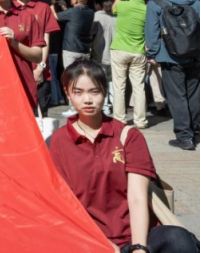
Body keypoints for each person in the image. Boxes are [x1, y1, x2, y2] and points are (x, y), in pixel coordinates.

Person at [50, 59, 200, 253]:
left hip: (139, 235)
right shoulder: (58, 142)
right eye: (78, 92)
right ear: (67, 93)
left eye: (94, 91)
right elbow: (66, 204)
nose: (87, 99)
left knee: (179, 240)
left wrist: (139, 247)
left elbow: (137, 197)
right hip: (89, 239)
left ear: (105, 91)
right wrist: (103, 245)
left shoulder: (128, 135)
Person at [146, 0, 200, 151]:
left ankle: (184, 137)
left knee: (177, 97)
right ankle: (196, 132)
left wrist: (152, 53)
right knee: (194, 95)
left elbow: (152, 31)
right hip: (195, 54)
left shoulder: (155, 3)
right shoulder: (194, 1)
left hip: (170, 56)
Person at [14, 0, 62, 116]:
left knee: (41, 116)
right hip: (16, 71)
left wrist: (40, 67)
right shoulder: (9, 9)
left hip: (40, 70)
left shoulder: (43, 8)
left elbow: (46, 40)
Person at [110, 0, 151, 130]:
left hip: (120, 49)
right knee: (139, 87)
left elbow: (113, 9)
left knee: (119, 86)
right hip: (138, 51)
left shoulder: (123, 5)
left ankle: (119, 120)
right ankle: (141, 120)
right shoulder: (147, 9)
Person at [53, 0, 95, 117]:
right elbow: (74, 18)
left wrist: (52, 4)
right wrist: (65, 8)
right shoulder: (90, 12)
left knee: (71, 78)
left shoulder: (73, 12)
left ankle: (73, 107)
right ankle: (83, 104)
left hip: (71, 49)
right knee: (83, 78)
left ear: (76, 0)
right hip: (84, 49)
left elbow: (55, 16)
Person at [90, 0, 117, 116]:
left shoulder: (95, 17)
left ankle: (104, 106)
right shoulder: (115, 17)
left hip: (99, 55)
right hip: (115, 54)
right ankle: (116, 105)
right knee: (113, 82)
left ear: (97, 5)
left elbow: (91, 35)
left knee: (101, 81)